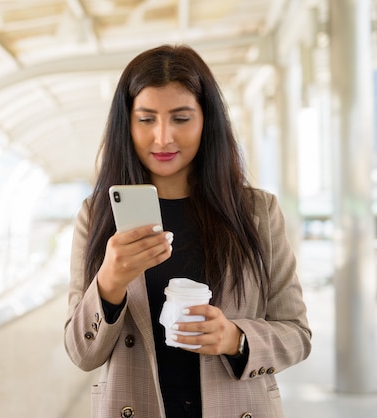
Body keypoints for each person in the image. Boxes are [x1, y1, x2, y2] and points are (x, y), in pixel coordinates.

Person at [64, 44, 312, 418]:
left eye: (181, 118)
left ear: (206, 121)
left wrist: (235, 339)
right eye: (147, 119)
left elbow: (296, 333)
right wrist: (109, 282)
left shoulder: (256, 212)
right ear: (126, 124)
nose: (163, 138)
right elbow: (82, 354)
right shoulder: (97, 216)